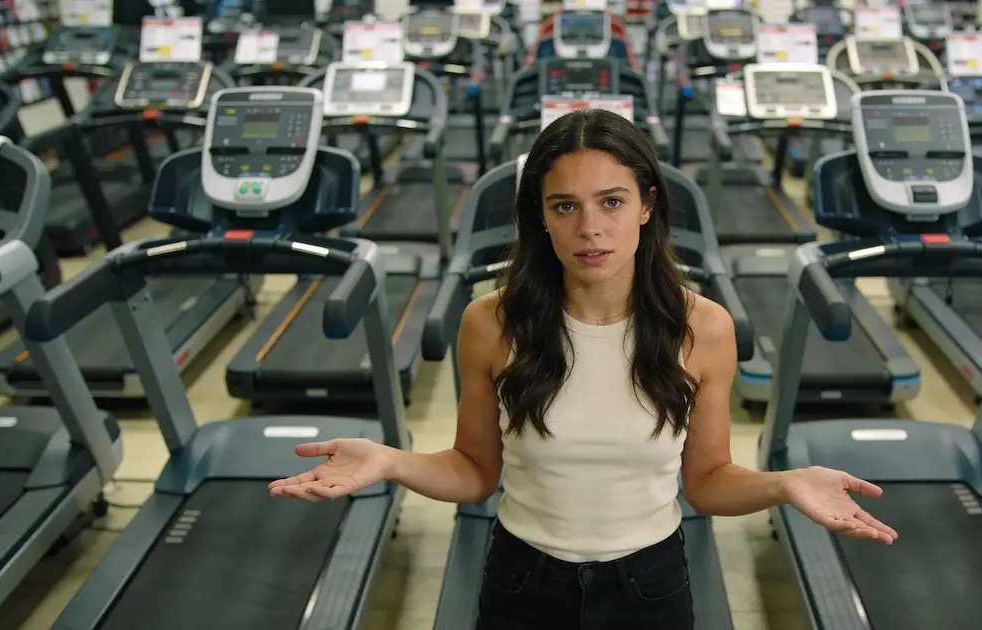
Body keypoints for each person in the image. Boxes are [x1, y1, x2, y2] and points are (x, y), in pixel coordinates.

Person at [269, 109, 898, 629]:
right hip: (523, 579)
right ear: (539, 216)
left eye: (612, 201)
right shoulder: (490, 322)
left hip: (650, 584)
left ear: (648, 205)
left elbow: (706, 481)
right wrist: (390, 461)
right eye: (564, 206)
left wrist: (783, 484)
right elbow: (473, 471)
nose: (590, 228)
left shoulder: (703, 328)